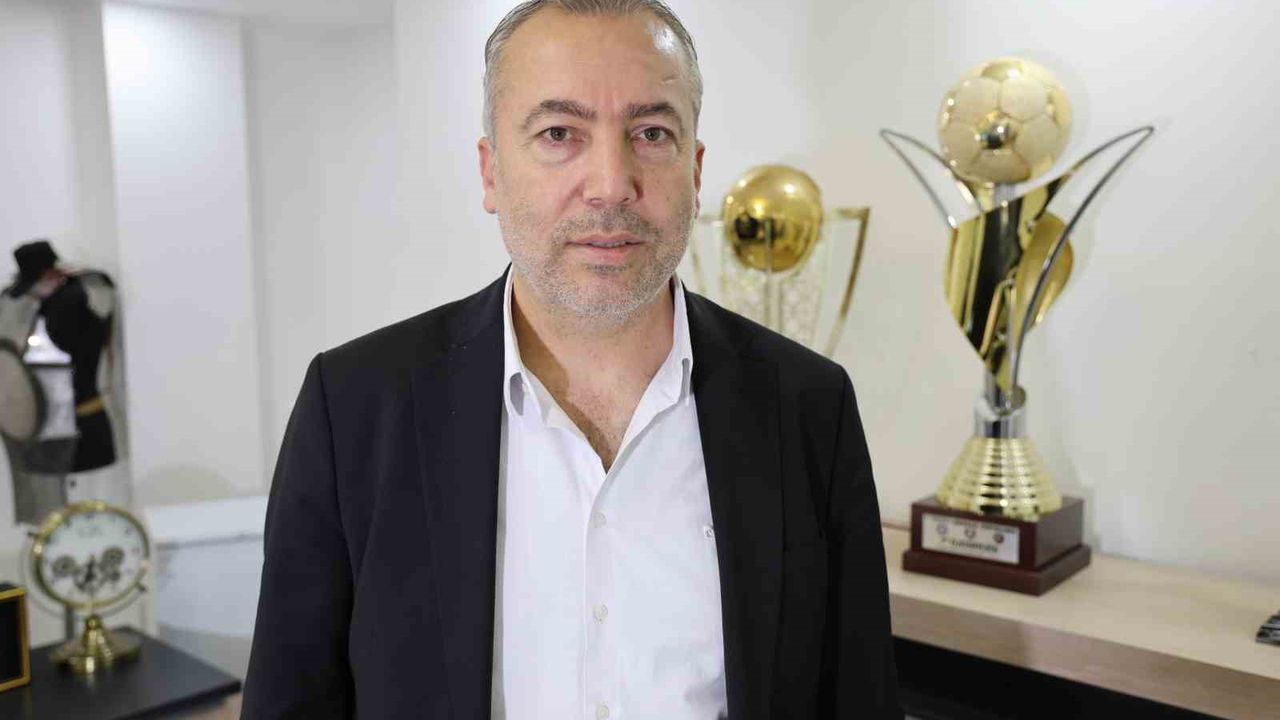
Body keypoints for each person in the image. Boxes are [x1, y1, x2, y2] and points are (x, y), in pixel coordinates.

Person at [241, 1, 900, 718]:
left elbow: (857, 698)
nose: (611, 183)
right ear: (491, 173)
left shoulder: (808, 406)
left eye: (651, 133)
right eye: (559, 133)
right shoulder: (354, 409)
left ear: (695, 169)